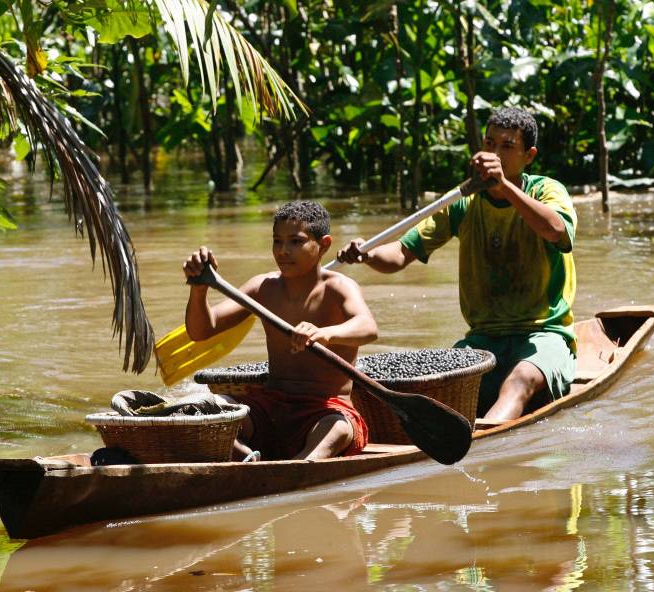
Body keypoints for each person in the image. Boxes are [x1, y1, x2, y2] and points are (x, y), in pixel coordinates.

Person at [337, 107, 577, 424]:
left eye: (507, 146)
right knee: (437, 389)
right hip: (483, 337)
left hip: (543, 334)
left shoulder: (546, 191)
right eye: (489, 143)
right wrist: (366, 254)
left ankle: (482, 442)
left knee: (520, 381)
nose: (494, 152)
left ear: (528, 156)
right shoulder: (461, 201)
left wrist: (504, 186)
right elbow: (399, 255)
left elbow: (556, 232)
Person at [183, 201, 378, 461]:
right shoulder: (262, 287)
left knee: (339, 429)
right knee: (213, 408)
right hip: (271, 406)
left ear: (324, 244)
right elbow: (201, 330)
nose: (284, 251)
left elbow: (368, 327)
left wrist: (324, 334)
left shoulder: (339, 287)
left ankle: (302, 465)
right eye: (277, 241)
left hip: (324, 409)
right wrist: (199, 289)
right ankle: (249, 457)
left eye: (296, 242)